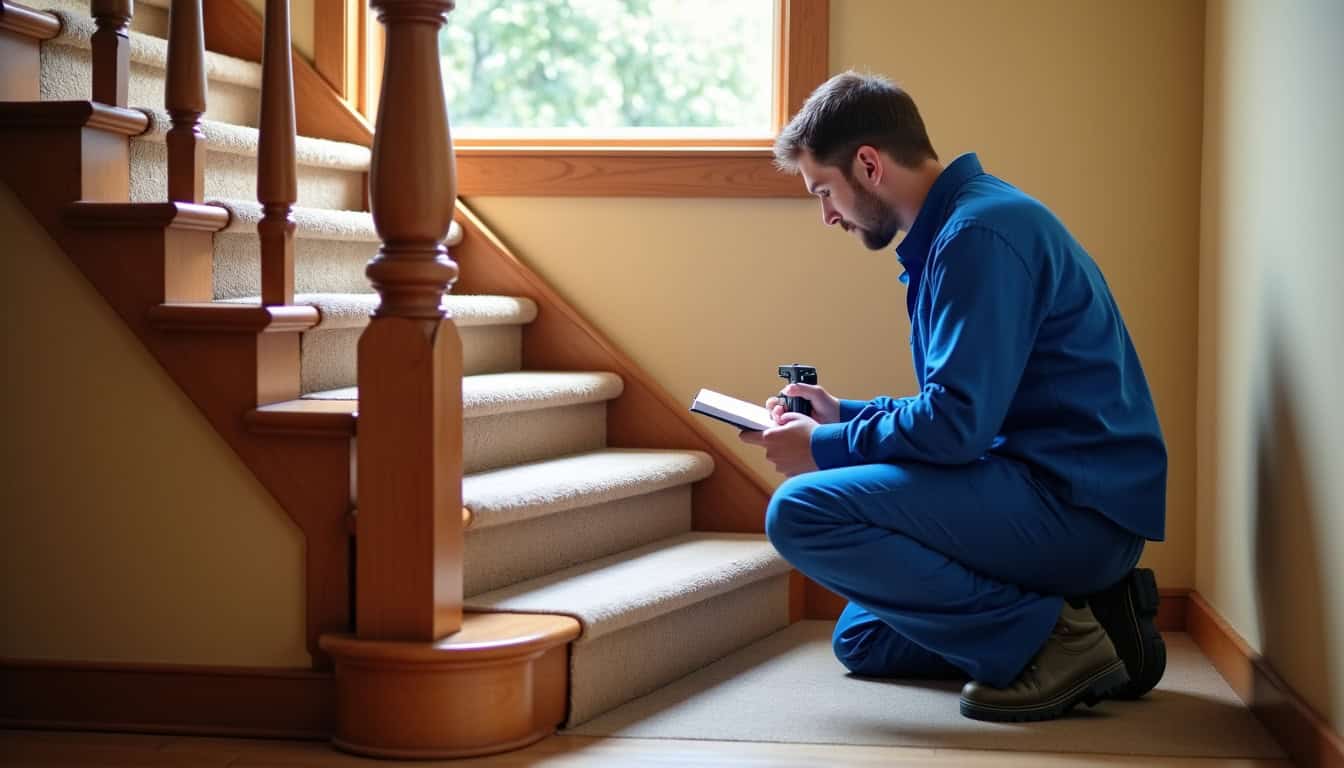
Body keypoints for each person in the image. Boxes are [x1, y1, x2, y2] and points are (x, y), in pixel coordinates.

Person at [739, 71, 1168, 722]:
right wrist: (841, 414)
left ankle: (1060, 640)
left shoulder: (980, 236)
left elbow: (956, 428)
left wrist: (822, 448)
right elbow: (960, 410)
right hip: (1032, 485)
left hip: (1076, 509)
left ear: (868, 164)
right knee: (863, 636)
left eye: (824, 191)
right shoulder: (961, 229)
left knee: (799, 512)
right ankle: (1101, 623)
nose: (827, 215)